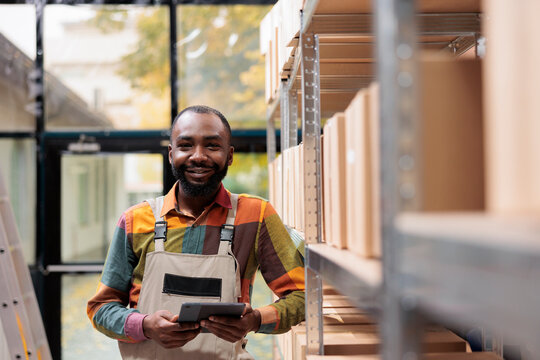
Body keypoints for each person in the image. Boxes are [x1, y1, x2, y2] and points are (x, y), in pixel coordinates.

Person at [87, 105, 305, 359]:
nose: (198, 156)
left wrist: (254, 320)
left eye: (212, 146)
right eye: (186, 145)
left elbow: (302, 297)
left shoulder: (256, 216)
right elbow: (100, 309)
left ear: (230, 155)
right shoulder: (135, 220)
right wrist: (145, 325)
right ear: (171, 154)